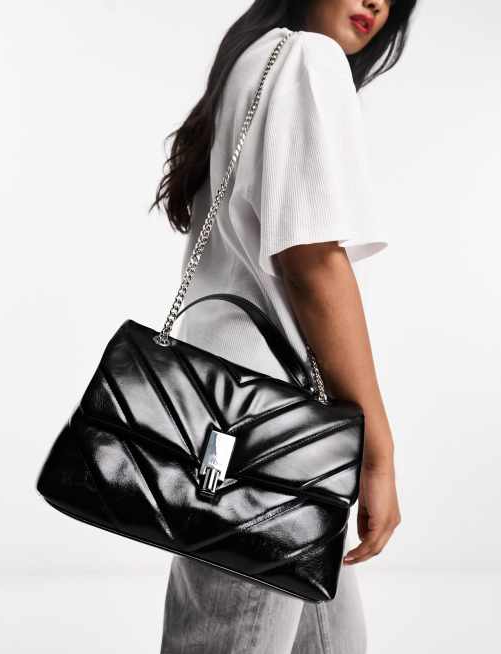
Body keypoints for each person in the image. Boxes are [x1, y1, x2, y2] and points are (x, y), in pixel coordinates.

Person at [151, 1, 418, 652]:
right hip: (266, 432)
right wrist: (377, 451)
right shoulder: (305, 58)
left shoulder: (253, 62)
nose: (377, 3)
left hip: (235, 418)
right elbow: (312, 264)